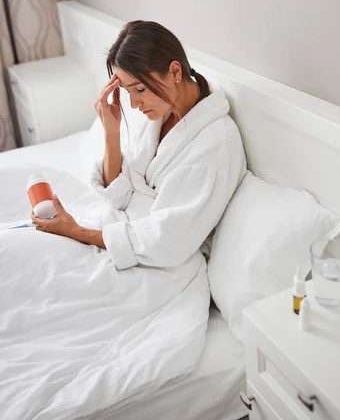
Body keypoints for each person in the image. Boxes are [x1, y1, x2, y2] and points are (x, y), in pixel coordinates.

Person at [31, 20, 246, 271]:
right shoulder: (161, 114)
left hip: (155, 267)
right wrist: (112, 133)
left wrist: (76, 231)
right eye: (127, 91)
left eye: (140, 89)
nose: (133, 104)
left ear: (175, 72)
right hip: (116, 235)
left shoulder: (214, 144)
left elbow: (167, 243)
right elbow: (120, 197)